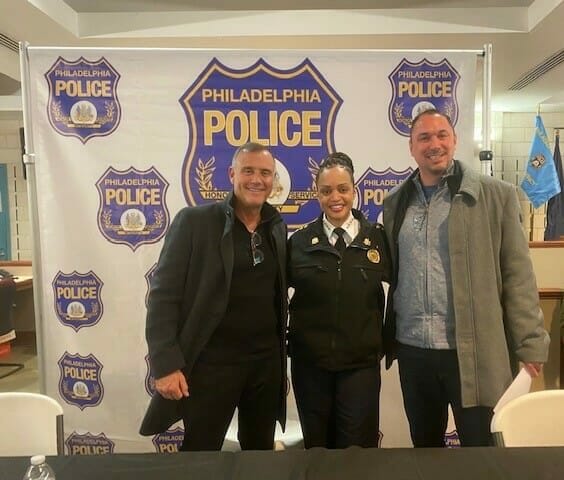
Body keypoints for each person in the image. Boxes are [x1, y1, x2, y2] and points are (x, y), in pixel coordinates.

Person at [383, 109, 549, 448]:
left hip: (472, 352)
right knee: (424, 451)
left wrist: (530, 343)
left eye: (442, 135)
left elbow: (518, 276)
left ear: (455, 140)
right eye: (424, 137)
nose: (434, 144)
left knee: (480, 451)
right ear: (411, 147)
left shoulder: (495, 195)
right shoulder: (395, 203)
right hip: (414, 352)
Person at [140, 142, 287, 451]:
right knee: (201, 453)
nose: (256, 180)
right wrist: (165, 364)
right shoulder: (194, 222)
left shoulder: (276, 227)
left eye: (265, 173)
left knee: (259, 454)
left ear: (273, 181)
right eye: (248, 171)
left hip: (264, 366)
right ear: (232, 174)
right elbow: (163, 297)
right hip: (211, 366)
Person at [288, 152, 391, 449]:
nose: (336, 197)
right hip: (311, 368)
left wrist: (388, 342)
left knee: (357, 455)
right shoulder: (299, 243)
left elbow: (401, 292)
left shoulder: (378, 240)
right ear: (316, 194)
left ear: (354, 190)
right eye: (326, 190)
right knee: (317, 451)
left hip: (360, 368)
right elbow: (272, 298)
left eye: (343, 189)